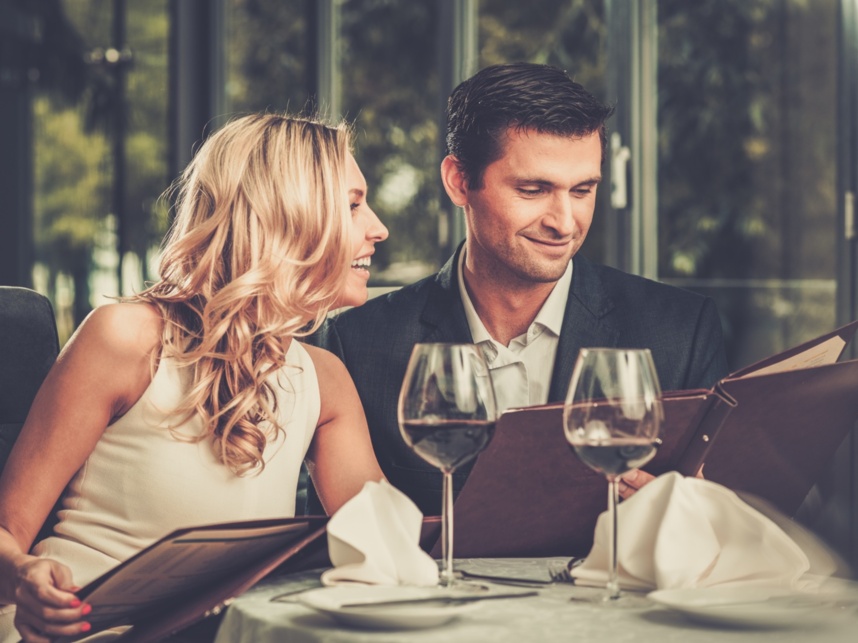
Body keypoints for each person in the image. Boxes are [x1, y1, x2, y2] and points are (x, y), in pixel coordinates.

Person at [0, 113, 388, 641]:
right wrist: (26, 578)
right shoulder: (127, 338)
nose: (378, 228)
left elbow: (386, 544)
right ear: (286, 216)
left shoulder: (324, 379)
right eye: (352, 205)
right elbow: (7, 532)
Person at [309, 62, 729, 516]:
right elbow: (332, 544)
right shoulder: (355, 343)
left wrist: (691, 511)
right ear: (459, 181)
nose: (564, 223)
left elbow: (721, 521)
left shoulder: (680, 332)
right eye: (533, 190)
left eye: (583, 190)